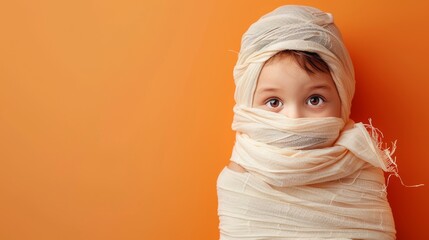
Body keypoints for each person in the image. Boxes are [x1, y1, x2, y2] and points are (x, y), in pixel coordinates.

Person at [217, 5, 397, 239]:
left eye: (314, 100)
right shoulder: (238, 180)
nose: (294, 118)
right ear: (247, 105)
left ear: (342, 99)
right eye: (274, 102)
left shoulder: (361, 168)